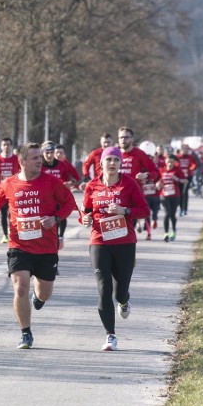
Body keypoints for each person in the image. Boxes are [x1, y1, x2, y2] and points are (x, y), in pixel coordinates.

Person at [0, 143, 77, 350]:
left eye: (40, 157)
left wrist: (55, 218)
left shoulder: (51, 182)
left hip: (46, 247)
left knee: (45, 293)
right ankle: (25, 333)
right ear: (22, 162)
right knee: (20, 288)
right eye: (35, 158)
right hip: (19, 245)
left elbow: (69, 203)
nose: (40, 161)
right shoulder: (8, 184)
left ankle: (38, 297)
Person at [79, 146, 150, 351]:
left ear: (120, 164)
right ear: (101, 163)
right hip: (99, 241)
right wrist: (84, 219)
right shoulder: (92, 186)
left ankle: (124, 301)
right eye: (108, 160)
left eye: (116, 160)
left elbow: (144, 210)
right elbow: (86, 212)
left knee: (120, 292)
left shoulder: (129, 184)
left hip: (124, 242)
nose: (112, 164)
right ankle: (110, 335)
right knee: (104, 288)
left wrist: (124, 210)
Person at [40, 141, 79, 249]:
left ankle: (60, 237)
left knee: (60, 216)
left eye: (51, 152)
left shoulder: (61, 165)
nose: (49, 155)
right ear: (42, 153)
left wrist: (69, 183)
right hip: (44, 198)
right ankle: (49, 238)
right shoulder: (40, 165)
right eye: (47, 152)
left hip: (58, 197)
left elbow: (68, 178)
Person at [158, 154, 187, 242]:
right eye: (168, 162)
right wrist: (158, 184)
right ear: (165, 162)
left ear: (174, 162)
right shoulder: (161, 170)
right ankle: (166, 233)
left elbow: (185, 181)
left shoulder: (177, 170)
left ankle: (173, 231)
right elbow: (158, 182)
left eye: (172, 162)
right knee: (167, 213)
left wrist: (177, 179)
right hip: (164, 195)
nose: (170, 164)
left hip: (175, 195)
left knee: (172, 215)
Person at [176, 143, 199, 216]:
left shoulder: (190, 157)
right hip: (179, 177)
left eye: (187, 149)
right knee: (179, 193)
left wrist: (191, 170)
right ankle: (180, 207)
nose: (186, 151)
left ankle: (184, 209)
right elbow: (174, 165)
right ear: (181, 150)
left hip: (188, 177)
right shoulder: (177, 157)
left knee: (185, 193)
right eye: (184, 149)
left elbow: (195, 165)